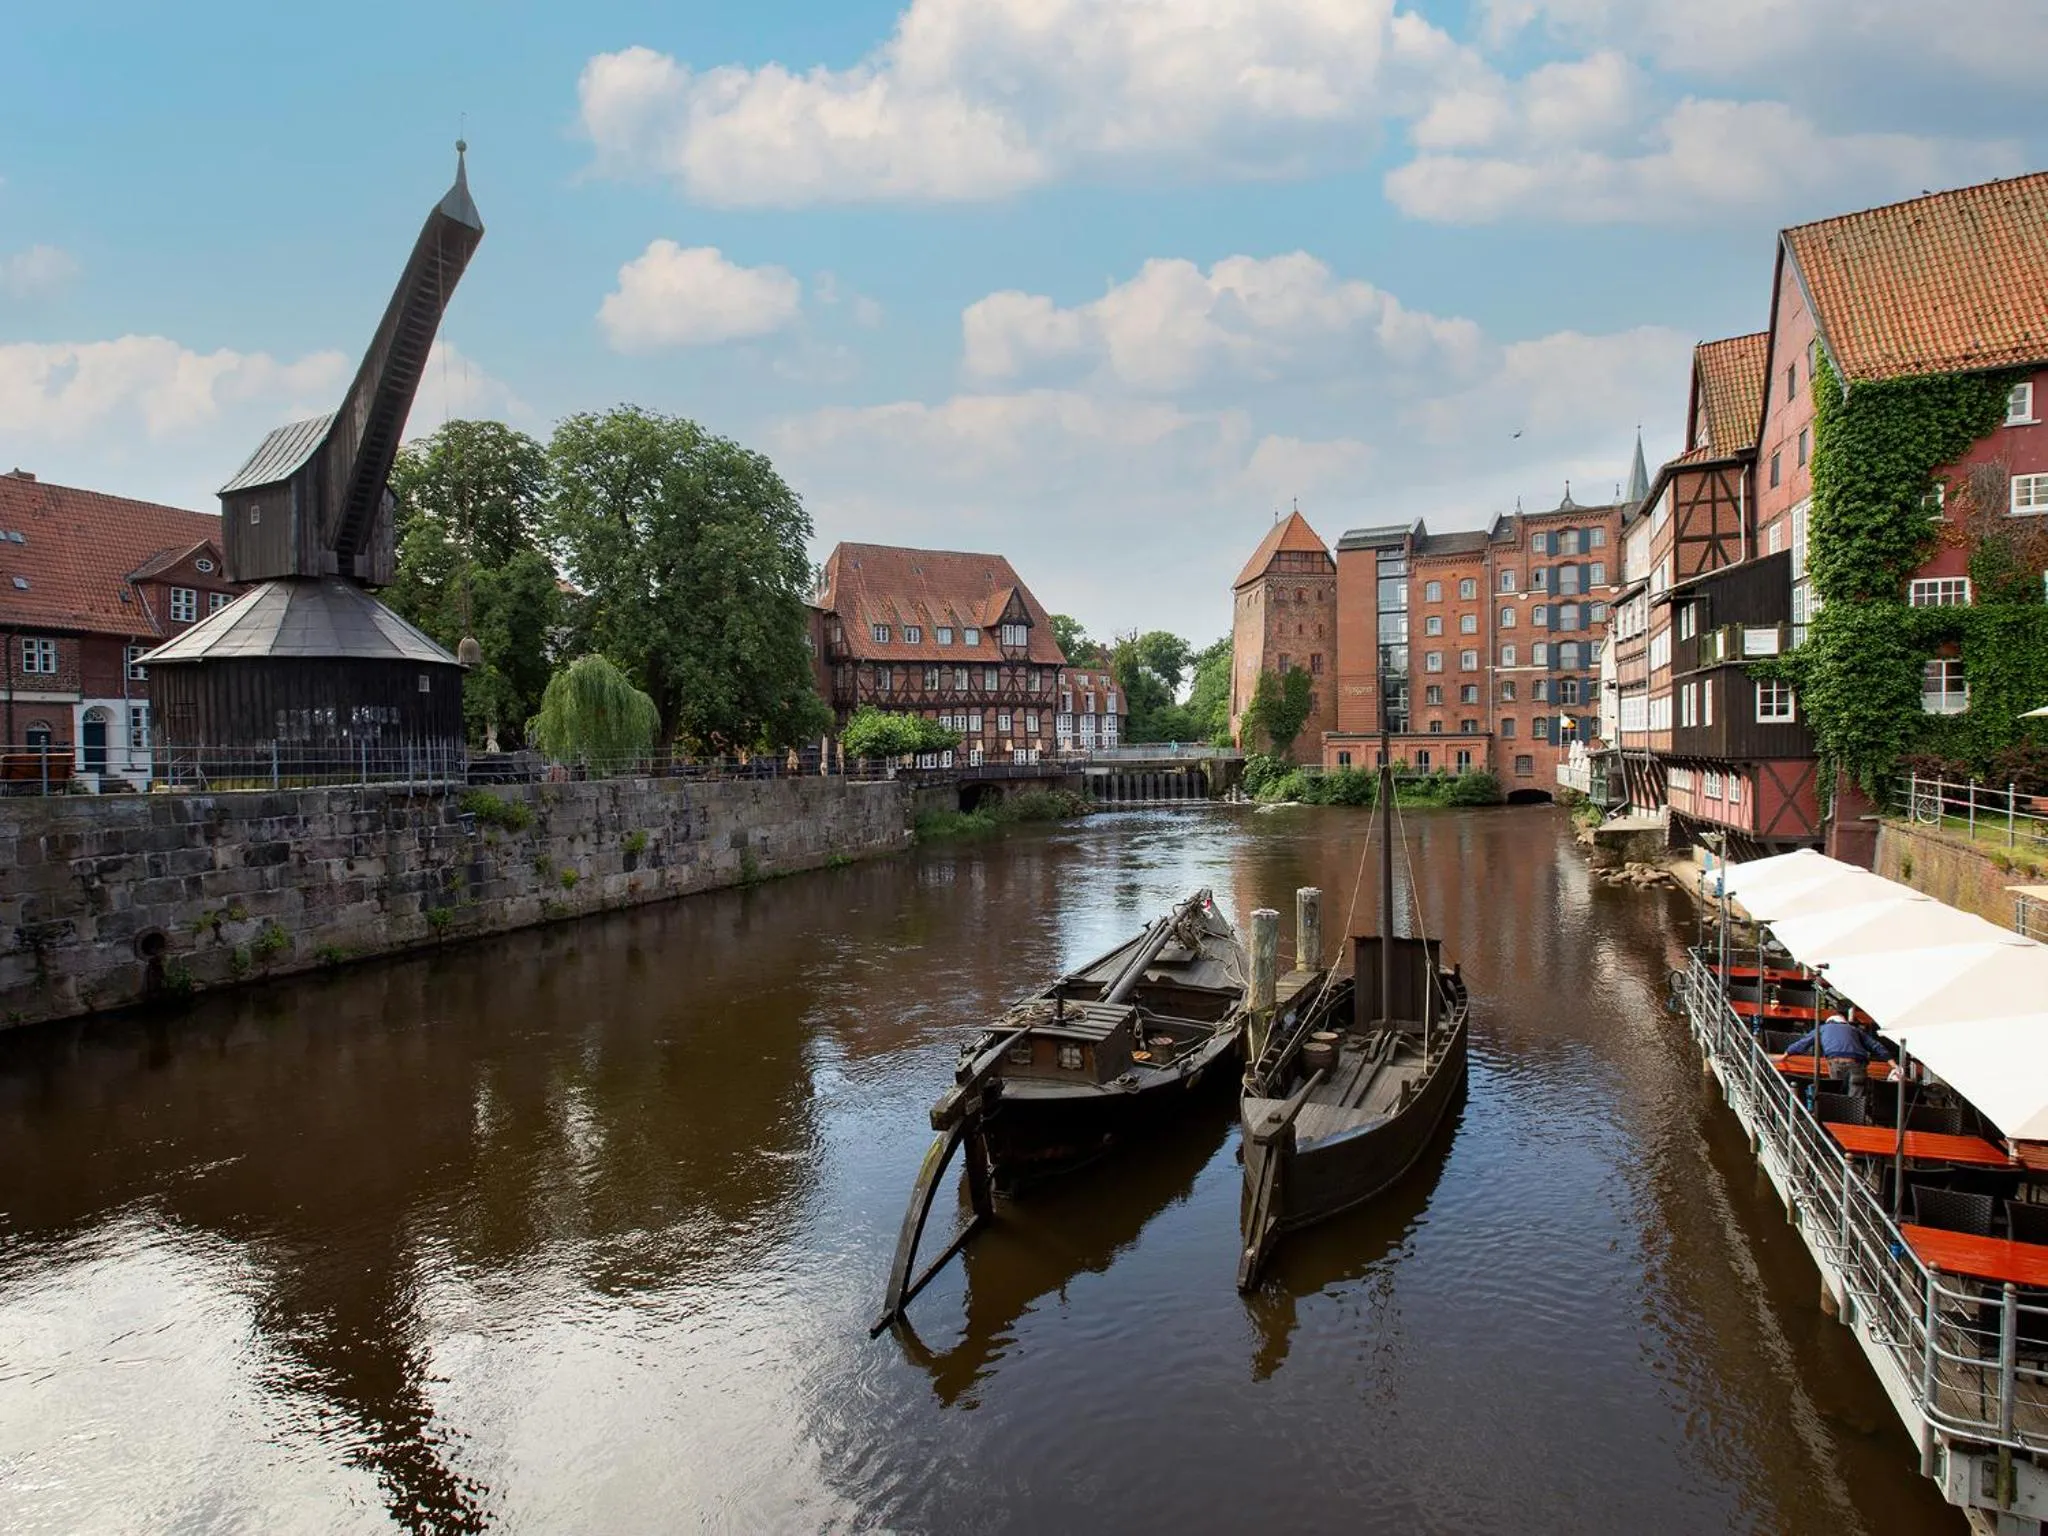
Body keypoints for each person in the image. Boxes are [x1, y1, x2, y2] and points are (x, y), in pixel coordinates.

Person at [1781, 1012, 1895, 1063]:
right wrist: (1893, 1064)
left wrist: (1786, 1054)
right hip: (1857, 1061)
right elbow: (1875, 1045)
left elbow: (1803, 1043)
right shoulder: (1854, 1029)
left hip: (1834, 1059)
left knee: (1837, 1086)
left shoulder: (1823, 1028)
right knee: (1856, 1094)